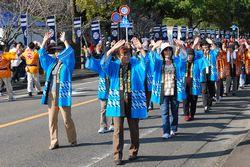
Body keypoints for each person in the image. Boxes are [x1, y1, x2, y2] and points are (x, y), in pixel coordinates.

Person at [101, 38, 148, 165]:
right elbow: (103, 64)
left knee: (134, 128)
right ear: (118, 55)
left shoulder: (136, 65)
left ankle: (133, 151)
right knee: (117, 129)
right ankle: (117, 155)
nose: (126, 57)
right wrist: (111, 49)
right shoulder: (114, 66)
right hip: (118, 99)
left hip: (133, 99)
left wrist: (141, 49)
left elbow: (147, 64)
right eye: (123, 54)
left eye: (128, 54)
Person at [38, 32, 77, 150]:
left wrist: (65, 41)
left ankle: (72, 139)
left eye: (60, 51)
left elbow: (70, 51)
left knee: (66, 119)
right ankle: (54, 141)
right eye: (56, 51)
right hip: (51, 94)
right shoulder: (51, 64)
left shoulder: (68, 65)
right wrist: (44, 41)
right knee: (52, 119)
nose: (57, 53)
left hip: (63, 94)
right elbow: (41, 55)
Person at [150, 40, 186, 139]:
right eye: (165, 50)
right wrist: (154, 48)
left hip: (174, 89)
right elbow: (151, 60)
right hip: (163, 91)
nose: (167, 52)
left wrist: (182, 47)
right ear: (162, 52)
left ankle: (173, 128)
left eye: (169, 50)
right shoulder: (159, 63)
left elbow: (184, 59)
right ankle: (166, 131)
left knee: (174, 111)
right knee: (164, 112)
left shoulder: (176, 61)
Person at [84, 41, 114, 134]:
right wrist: (88, 56)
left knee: (113, 106)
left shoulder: (113, 62)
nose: (99, 47)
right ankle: (103, 125)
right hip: (104, 88)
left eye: (101, 46)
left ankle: (113, 124)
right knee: (103, 108)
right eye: (98, 46)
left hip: (112, 87)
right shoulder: (100, 62)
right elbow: (92, 63)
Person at [192, 37, 218, 112]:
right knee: (204, 90)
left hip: (211, 73)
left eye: (206, 45)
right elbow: (191, 52)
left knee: (211, 90)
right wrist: (194, 44)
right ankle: (205, 105)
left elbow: (217, 50)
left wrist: (212, 42)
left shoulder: (212, 52)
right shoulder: (200, 53)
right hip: (202, 73)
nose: (205, 46)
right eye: (203, 45)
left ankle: (209, 103)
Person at [183, 48, 208, 121]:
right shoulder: (183, 62)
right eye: (188, 55)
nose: (189, 56)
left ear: (194, 56)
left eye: (191, 55)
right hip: (185, 83)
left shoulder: (197, 62)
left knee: (193, 99)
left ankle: (192, 114)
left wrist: (202, 51)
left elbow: (205, 61)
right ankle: (186, 114)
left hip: (194, 83)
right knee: (185, 100)